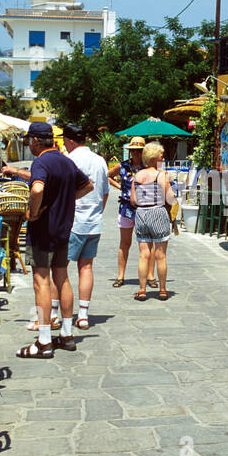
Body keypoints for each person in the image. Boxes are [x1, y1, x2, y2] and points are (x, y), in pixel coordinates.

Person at [16, 121, 93, 359]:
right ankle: (67, 335)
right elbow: (87, 186)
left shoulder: (41, 162)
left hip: (43, 232)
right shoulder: (66, 161)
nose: (29, 144)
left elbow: (37, 189)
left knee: (41, 282)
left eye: (30, 140)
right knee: (63, 279)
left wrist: (35, 211)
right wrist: (66, 200)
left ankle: (44, 340)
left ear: (36, 141)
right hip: (63, 230)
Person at [61, 121, 109, 329]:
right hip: (94, 221)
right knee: (86, 267)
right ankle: (83, 314)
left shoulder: (68, 161)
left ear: (70, 140)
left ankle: (57, 314)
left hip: (72, 221)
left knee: (60, 269)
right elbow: (105, 193)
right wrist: (98, 212)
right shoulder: (100, 161)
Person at [108, 138, 156, 288]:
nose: (135, 153)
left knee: (148, 244)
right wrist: (120, 187)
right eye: (133, 150)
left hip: (145, 208)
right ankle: (121, 276)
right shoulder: (122, 166)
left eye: (139, 150)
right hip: (126, 208)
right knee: (125, 243)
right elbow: (107, 175)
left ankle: (151, 276)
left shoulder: (149, 167)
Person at [131, 142, 175, 300]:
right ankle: (162, 289)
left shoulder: (137, 175)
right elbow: (170, 197)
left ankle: (142, 290)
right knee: (160, 255)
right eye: (161, 155)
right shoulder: (160, 175)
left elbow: (133, 200)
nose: (163, 157)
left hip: (141, 214)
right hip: (157, 212)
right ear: (154, 158)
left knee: (144, 255)